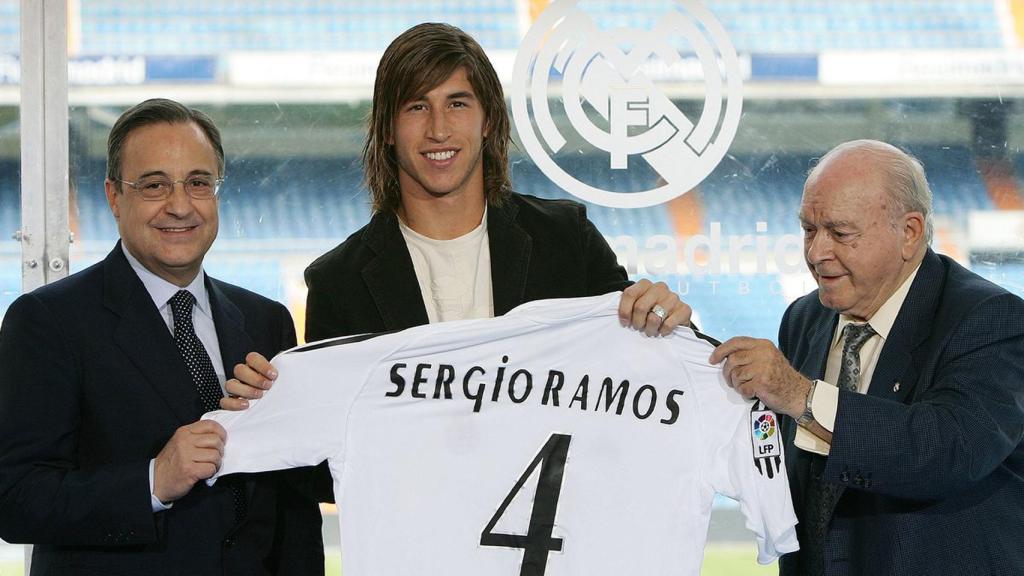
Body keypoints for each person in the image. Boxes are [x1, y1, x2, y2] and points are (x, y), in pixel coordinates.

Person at [224, 22, 692, 410]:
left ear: (488, 120)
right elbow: (332, 468)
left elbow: (644, 379)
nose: (438, 129)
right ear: (387, 128)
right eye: (416, 107)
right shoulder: (337, 282)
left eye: (457, 103)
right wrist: (276, 406)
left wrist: (667, 322)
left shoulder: (566, 239)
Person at [0, 98, 324, 575]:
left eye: (198, 183)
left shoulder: (266, 322)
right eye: (154, 185)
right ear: (114, 196)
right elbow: (14, 498)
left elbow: (292, 509)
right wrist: (153, 480)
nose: (179, 205)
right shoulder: (48, 321)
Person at [710, 139, 1024, 575]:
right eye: (808, 230)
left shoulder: (990, 319)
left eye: (840, 233)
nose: (816, 253)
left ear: (909, 233)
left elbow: (947, 450)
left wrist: (801, 396)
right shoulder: (804, 318)